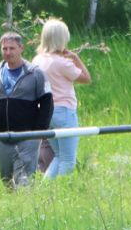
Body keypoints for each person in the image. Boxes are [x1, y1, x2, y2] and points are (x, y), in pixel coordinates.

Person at [0, 31, 53, 189]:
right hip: (2, 137)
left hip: (27, 136)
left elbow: (47, 103)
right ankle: (14, 210)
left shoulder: (35, 72)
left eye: (12, 48)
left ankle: (27, 209)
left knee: (24, 182)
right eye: (4, 49)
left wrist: (38, 133)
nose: (8, 52)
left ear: (21, 48)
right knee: (7, 181)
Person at [33, 19, 90, 178]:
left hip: (46, 112)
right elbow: (86, 78)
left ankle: (46, 191)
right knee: (68, 160)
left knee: (58, 155)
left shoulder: (37, 60)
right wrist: (76, 59)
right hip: (64, 111)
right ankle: (58, 192)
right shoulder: (62, 63)